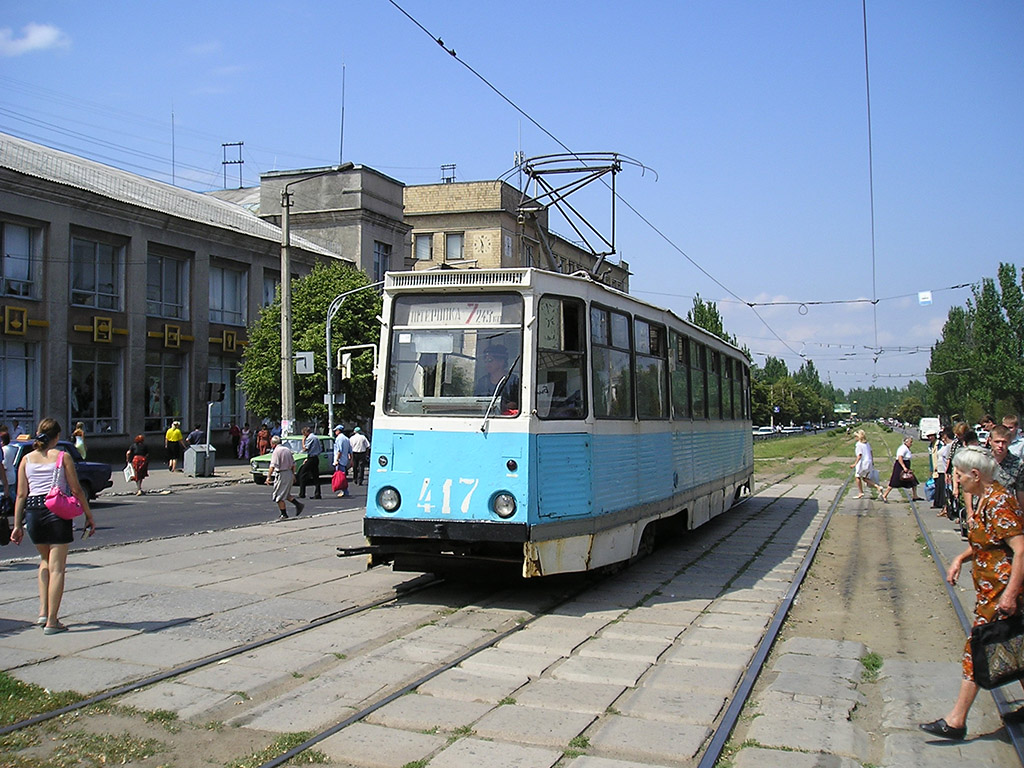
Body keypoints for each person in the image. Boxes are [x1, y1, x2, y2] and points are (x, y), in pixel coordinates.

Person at [919, 446, 1024, 741]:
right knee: (1015, 644)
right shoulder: (986, 499)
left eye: (960, 474)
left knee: (976, 649)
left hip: (1001, 592)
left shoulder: (999, 502)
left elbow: (1020, 550)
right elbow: (987, 541)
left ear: (975, 475)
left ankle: (956, 721)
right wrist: (960, 558)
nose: (956, 479)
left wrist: (1009, 595)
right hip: (991, 589)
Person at [10, 419, 96, 634]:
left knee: (45, 561)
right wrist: (88, 515)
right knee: (58, 568)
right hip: (56, 511)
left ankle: (42, 612)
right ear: (57, 437)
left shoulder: (26, 459)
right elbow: (76, 490)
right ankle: (52, 620)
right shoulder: (62, 456)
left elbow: (21, 494)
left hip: (33, 512)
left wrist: (17, 524)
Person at [474, 344, 520, 414]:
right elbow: (475, 402)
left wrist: (504, 406)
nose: (487, 364)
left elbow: (518, 404)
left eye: (490, 360)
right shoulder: (482, 381)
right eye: (485, 361)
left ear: (501, 361)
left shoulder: (514, 380)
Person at [266, 435, 303, 520]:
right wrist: (293, 475)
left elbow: (273, 465)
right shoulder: (287, 450)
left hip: (282, 474)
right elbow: (293, 464)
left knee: (278, 495)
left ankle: (284, 514)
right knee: (285, 493)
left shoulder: (276, 451)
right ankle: (298, 505)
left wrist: (268, 476)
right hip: (289, 473)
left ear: (273, 443)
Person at [990, 425, 1024, 508]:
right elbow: (969, 485)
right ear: (990, 441)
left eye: (1004, 442)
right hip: (981, 510)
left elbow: (1020, 492)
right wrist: (969, 510)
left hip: (1005, 510)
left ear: (1010, 442)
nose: (1000, 445)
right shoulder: (981, 459)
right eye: (997, 442)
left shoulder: (1018, 464)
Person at [881, 436, 922, 502]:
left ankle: (915, 496)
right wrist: (904, 467)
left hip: (906, 466)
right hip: (900, 467)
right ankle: (885, 495)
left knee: (913, 481)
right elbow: (900, 457)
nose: (911, 444)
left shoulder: (907, 448)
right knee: (894, 481)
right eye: (910, 442)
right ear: (906, 442)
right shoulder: (903, 448)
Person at [850, 430, 883, 499]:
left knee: (857, 477)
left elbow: (859, 455)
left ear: (858, 437)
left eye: (856, 436)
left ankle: (860, 492)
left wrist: (854, 464)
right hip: (869, 462)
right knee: (865, 478)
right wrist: (872, 461)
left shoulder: (859, 444)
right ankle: (878, 487)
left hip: (862, 463)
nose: (855, 438)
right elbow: (871, 452)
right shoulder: (867, 444)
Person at [296, 426, 323, 500]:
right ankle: (318, 493)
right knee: (315, 476)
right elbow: (320, 449)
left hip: (312, 458)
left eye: (304, 434)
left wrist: (303, 441)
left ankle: (302, 493)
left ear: (306, 432)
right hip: (315, 457)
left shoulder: (310, 438)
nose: (304, 435)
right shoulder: (316, 437)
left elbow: (305, 448)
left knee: (302, 474)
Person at [933, 427, 952, 515]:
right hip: (940, 470)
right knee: (943, 489)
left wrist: (947, 472)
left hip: (945, 470)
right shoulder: (944, 446)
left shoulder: (949, 446)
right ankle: (944, 508)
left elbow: (948, 460)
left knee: (947, 490)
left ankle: (946, 509)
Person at [332, 425, 352, 498]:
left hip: (340, 460)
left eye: (336, 430)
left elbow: (339, 450)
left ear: (338, 430)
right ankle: (344, 490)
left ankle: (344, 491)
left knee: (340, 477)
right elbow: (350, 450)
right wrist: (351, 460)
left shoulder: (339, 439)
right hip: (344, 459)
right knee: (342, 476)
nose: (335, 432)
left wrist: (337, 459)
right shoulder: (346, 439)